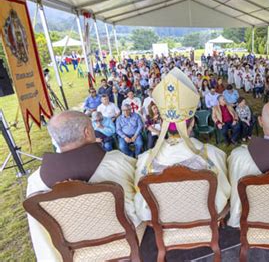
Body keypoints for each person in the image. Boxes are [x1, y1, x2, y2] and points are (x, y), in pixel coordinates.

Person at [26, 111, 139, 261]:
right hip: (122, 242)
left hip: (74, 253)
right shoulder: (117, 162)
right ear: (87, 132)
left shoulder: (35, 182)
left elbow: (41, 233)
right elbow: (137, 206)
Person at [134, 68, 230, 222]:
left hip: (163, 220)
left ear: (164, 124)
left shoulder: (146, 160)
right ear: (191, 124)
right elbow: (225, 190)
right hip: (204, 217)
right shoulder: (212, 153)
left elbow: (140, 199)